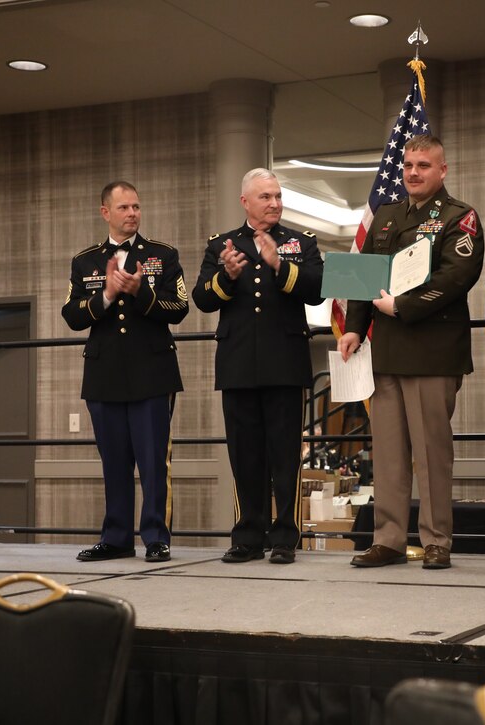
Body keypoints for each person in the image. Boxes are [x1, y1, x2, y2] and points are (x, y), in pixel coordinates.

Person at [340, 134, 484, 570]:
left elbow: (457, 276)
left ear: (442, 170)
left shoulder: (460, 217)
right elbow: (365, 275)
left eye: (424, 165)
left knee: (431, 453)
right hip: (387, 352)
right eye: (408, 165)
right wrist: (353, 329)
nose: (413, 172)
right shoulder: (386, 215)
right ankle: (388, 540)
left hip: (432, 352)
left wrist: (402, 306)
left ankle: (437, 540)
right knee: (387, 454)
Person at [192, 168, 323, 565]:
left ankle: (284, 536)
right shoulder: (221, 245)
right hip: (238, 365)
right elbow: (202, 298)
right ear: (245, 201)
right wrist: (227, 276)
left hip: (285, 362)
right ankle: (248, 535)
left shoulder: (301, 243)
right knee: (245, 454)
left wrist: (280, 266)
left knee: (285, 454)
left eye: (278, 196)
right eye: (265, 197)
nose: (275, 203)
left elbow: (318, 290)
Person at [62, 181, 189, 563]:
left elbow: (179, 308)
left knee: (153, 462)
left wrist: (139, 292)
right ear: (106, 212)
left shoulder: (162, 255)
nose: (132, 213)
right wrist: (105, 296)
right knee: (114, 462)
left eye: (136, 206)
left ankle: (155, 537)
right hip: (105, 375)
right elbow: (72, 315)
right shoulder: (85, 261)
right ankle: (116, 537)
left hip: (152, 372)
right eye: (124, 208)